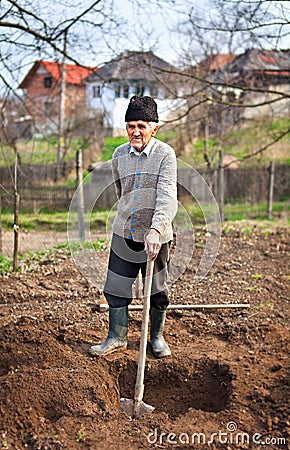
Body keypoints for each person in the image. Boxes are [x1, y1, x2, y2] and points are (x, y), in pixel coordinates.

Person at [89, 95, 177, 358]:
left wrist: (155, 229)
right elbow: (120, 190)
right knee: (116, 286)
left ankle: (157, 337)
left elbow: (167, 195)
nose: (135, 131)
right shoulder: (119, 155)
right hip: (124, 234)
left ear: (154, 128)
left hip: (156, 236)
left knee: (157, 290)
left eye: (141, 125)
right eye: (131, 126)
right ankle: (116, 336)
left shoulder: (165, 155)